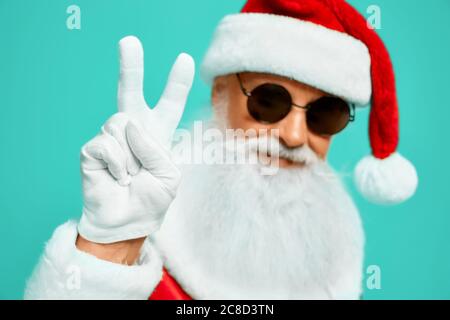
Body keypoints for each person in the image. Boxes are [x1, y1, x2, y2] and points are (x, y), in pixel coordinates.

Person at [24, 0, 418, 300]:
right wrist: (107, 247)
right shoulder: (148, 217)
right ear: (220, 95)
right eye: (269, 102)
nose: (296, 136)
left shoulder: (339, 251)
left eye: (325, 114)